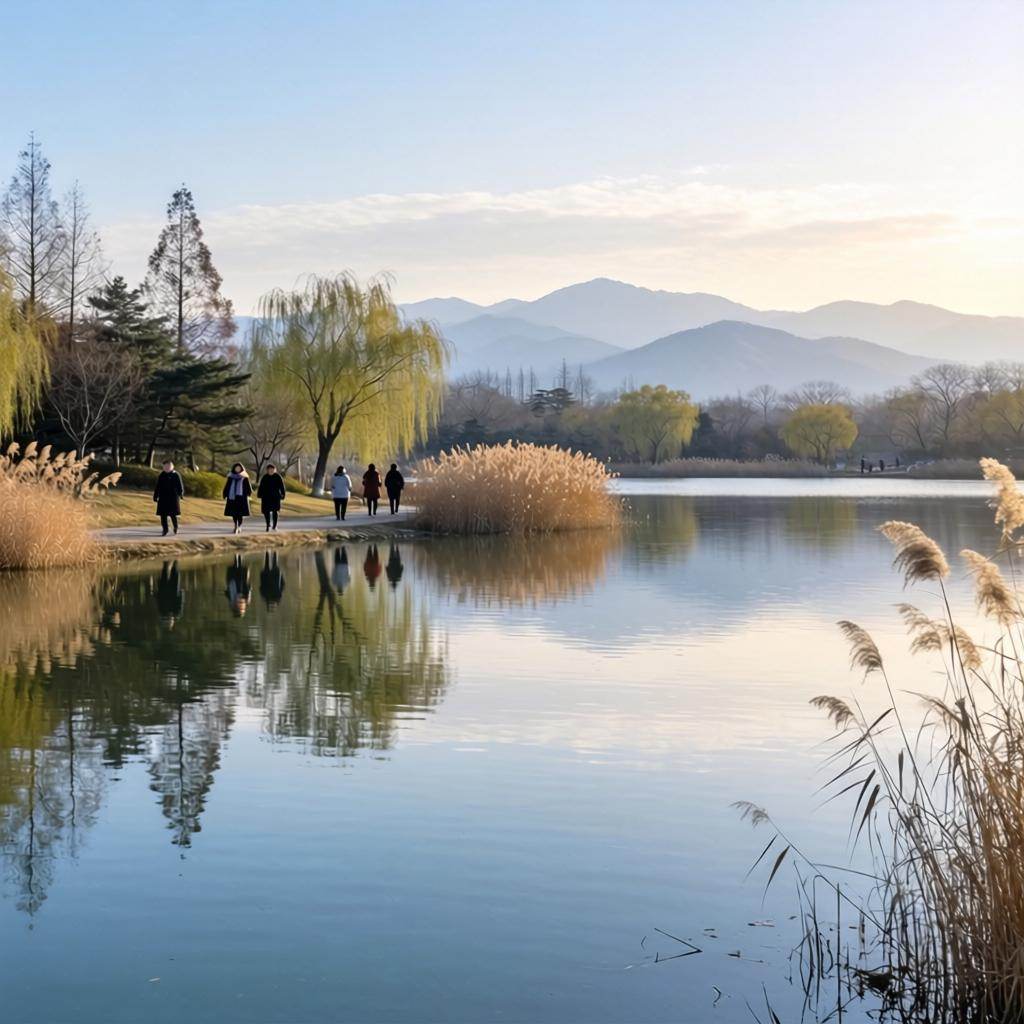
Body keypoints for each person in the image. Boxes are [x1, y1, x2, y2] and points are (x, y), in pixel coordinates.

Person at [153, 460, 185, 536]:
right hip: (163, 497)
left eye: (168, 466)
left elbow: (180, 486)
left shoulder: (176, 475)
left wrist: (180, 494)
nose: (166, 468)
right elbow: (158, 486)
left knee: (173, 514)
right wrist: (155, 495)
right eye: (165, 466)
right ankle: (165, 529)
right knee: (163, 515)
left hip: (173, 498)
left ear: (172, 466)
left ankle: (175, 527)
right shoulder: (162, 475)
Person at [223, 463, 252, 534]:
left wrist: (248, 494)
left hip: (241, 498)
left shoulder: (245, 477)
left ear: (241, 469)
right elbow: (227, 486)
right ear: (234, 469)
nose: (237, 469)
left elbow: (248, 487)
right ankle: (235, 525)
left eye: (239, 468)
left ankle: (239, 526)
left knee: (240, 514)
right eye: (236, 468)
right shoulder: (230, 477)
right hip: (232, 498)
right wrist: (225, 494)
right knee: (234, 513)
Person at [257, 463, 286, 532]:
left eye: (272, 469)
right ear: (267, 470)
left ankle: (274, 526)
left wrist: (283, 494)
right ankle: (268, 525)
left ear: (274, 470)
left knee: (275, 511)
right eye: (269, 469)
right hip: (266, 497)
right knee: (266, 512)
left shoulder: (278, 477)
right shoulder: (265, 477)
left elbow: (282, 487)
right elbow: (261, 487)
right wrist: (259, 494)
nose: (271, 471)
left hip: (275, 497)